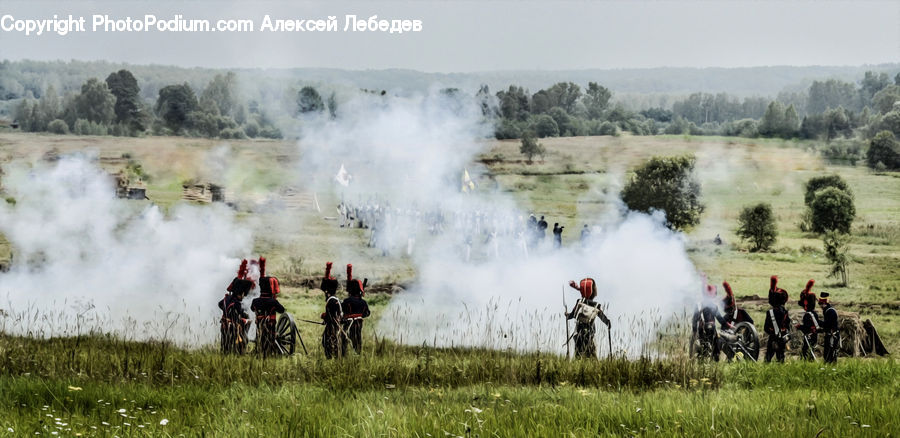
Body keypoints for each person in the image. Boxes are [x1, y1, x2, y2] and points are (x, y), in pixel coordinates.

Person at [565, 278, 610, 359]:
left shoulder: (580, 302)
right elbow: (602, 317)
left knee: (578, 354)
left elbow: (572, 315)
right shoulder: (596, 305)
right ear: (593, 292)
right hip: (590, 333)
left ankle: (579, 368)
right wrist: (608, 323)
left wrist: (567, 315)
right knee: (592, 355)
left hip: (579, 332)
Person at [250, 257, 286, 356]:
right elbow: (282, 310)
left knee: (260, 334)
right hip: (271, 329)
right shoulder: (273, 301)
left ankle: (260, 350)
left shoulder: (255, 301)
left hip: (260, 328)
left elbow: (252, 309)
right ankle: (270, 351)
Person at [219, 259, 252, 354]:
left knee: (224, 342)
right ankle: (240, 350)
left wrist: (225, 311)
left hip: (224, 324)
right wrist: (244, 315)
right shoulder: (236, 302)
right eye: (243, 294)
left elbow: (220, 304)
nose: (243, 296)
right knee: (247, 321)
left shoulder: (227, 298)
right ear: (240, 293)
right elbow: (239, 313)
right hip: (233, 326)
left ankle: (225, 352)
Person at [692, 283, 728, 361]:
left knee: (718, 342)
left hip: (712, 331)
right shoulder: (699, 306)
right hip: (702, 331)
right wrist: (695, 332)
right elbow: (695, 320)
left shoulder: (713, 306)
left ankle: (715, 356)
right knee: (703, 348)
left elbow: (720, 319)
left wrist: (727, 325)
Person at [341, 264, 371, 355]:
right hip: (358, 324)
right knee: (357, 340)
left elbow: (341, 313)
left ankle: (343, 355)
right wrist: (359, 315)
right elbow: (367, 313)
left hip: (347, 324)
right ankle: (357, 354)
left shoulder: (346, 301)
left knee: (344, 340)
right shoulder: (363, 302)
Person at [763, 276, 791, 363]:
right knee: (781, 358)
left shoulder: (770, 313)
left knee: (768, 358)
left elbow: (766, 328)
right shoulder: (785, 312)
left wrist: (772, 333)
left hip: (773, 338)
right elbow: (787, 324)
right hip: (782, 337)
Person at [320, 262, 343, 359]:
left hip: (332, 325)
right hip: (336, 323)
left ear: (327, 291)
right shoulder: (336, 299)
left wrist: (324, 317)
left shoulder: (331, 301)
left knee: (327, 341)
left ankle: (330, 358)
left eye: (325, 291)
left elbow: (331, 315)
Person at [795, 280, 819, 361]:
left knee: (806, 352)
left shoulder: (807, 315)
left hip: (809, 337)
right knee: (810, 352)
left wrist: (799, 327)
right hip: (814, 336)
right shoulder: (814, 314)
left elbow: (807, 328)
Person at [819, 292, 840, 363]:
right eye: (820, 304)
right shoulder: (827, 311)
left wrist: (817, 322)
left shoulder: (830, 312)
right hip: (829, 334)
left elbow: (827, 324)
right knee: (827, 354)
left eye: (822, 304)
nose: (821, 306)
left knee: (830, 354)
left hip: (832, 335)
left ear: (826, 303)